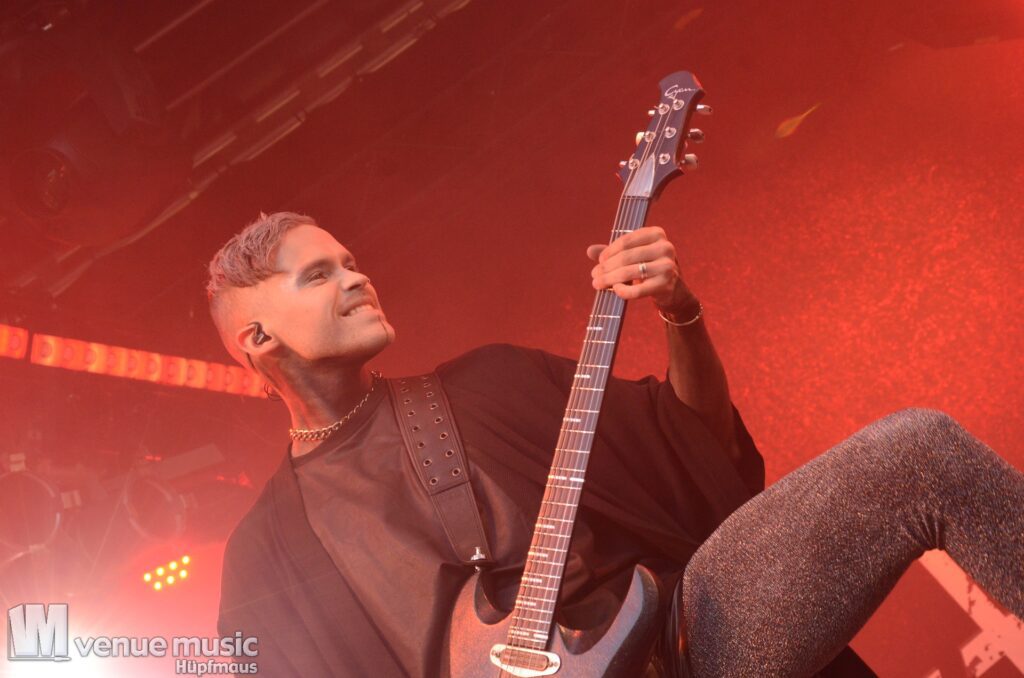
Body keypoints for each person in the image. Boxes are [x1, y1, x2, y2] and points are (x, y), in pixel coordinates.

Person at [209, 212, 1024, 677]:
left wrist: (680, 312)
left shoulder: (487, 383)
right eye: (318, 275)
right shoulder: (267, 558)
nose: (357, 278)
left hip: (686, 644)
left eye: (350, 262)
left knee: (916, 451)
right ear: (257, 338)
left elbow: (693, 449)